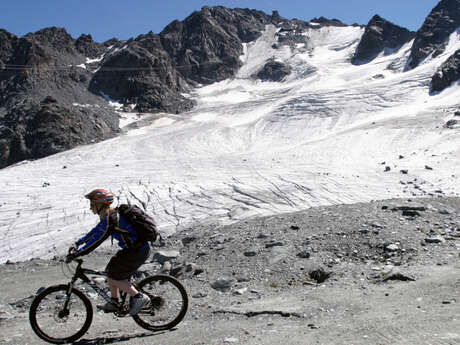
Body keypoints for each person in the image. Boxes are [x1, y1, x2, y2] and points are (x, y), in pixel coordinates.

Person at [66, 188, 150, 315]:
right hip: (132, 250)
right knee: (110, 271)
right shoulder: (109, 217)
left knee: (115, 276)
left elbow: (96, 241)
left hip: (137, 251)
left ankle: (139, 297)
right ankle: (114, 302)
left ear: (100, 204)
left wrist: (78, 253)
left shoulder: (112, 219)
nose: (90, 208)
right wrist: (78, 243)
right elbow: (95, 232)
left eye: (92, 204)